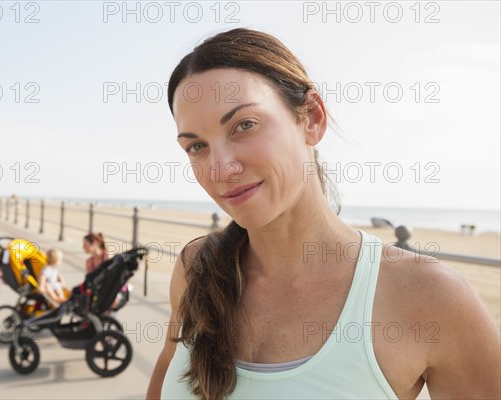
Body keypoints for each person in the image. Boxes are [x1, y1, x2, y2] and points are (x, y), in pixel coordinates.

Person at [147, 28, 500, 400]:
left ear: (312, 119)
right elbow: (167, 369)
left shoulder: (430, 298)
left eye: (244, 125)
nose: (220, 169)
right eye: (197, 146)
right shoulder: (195, 267)